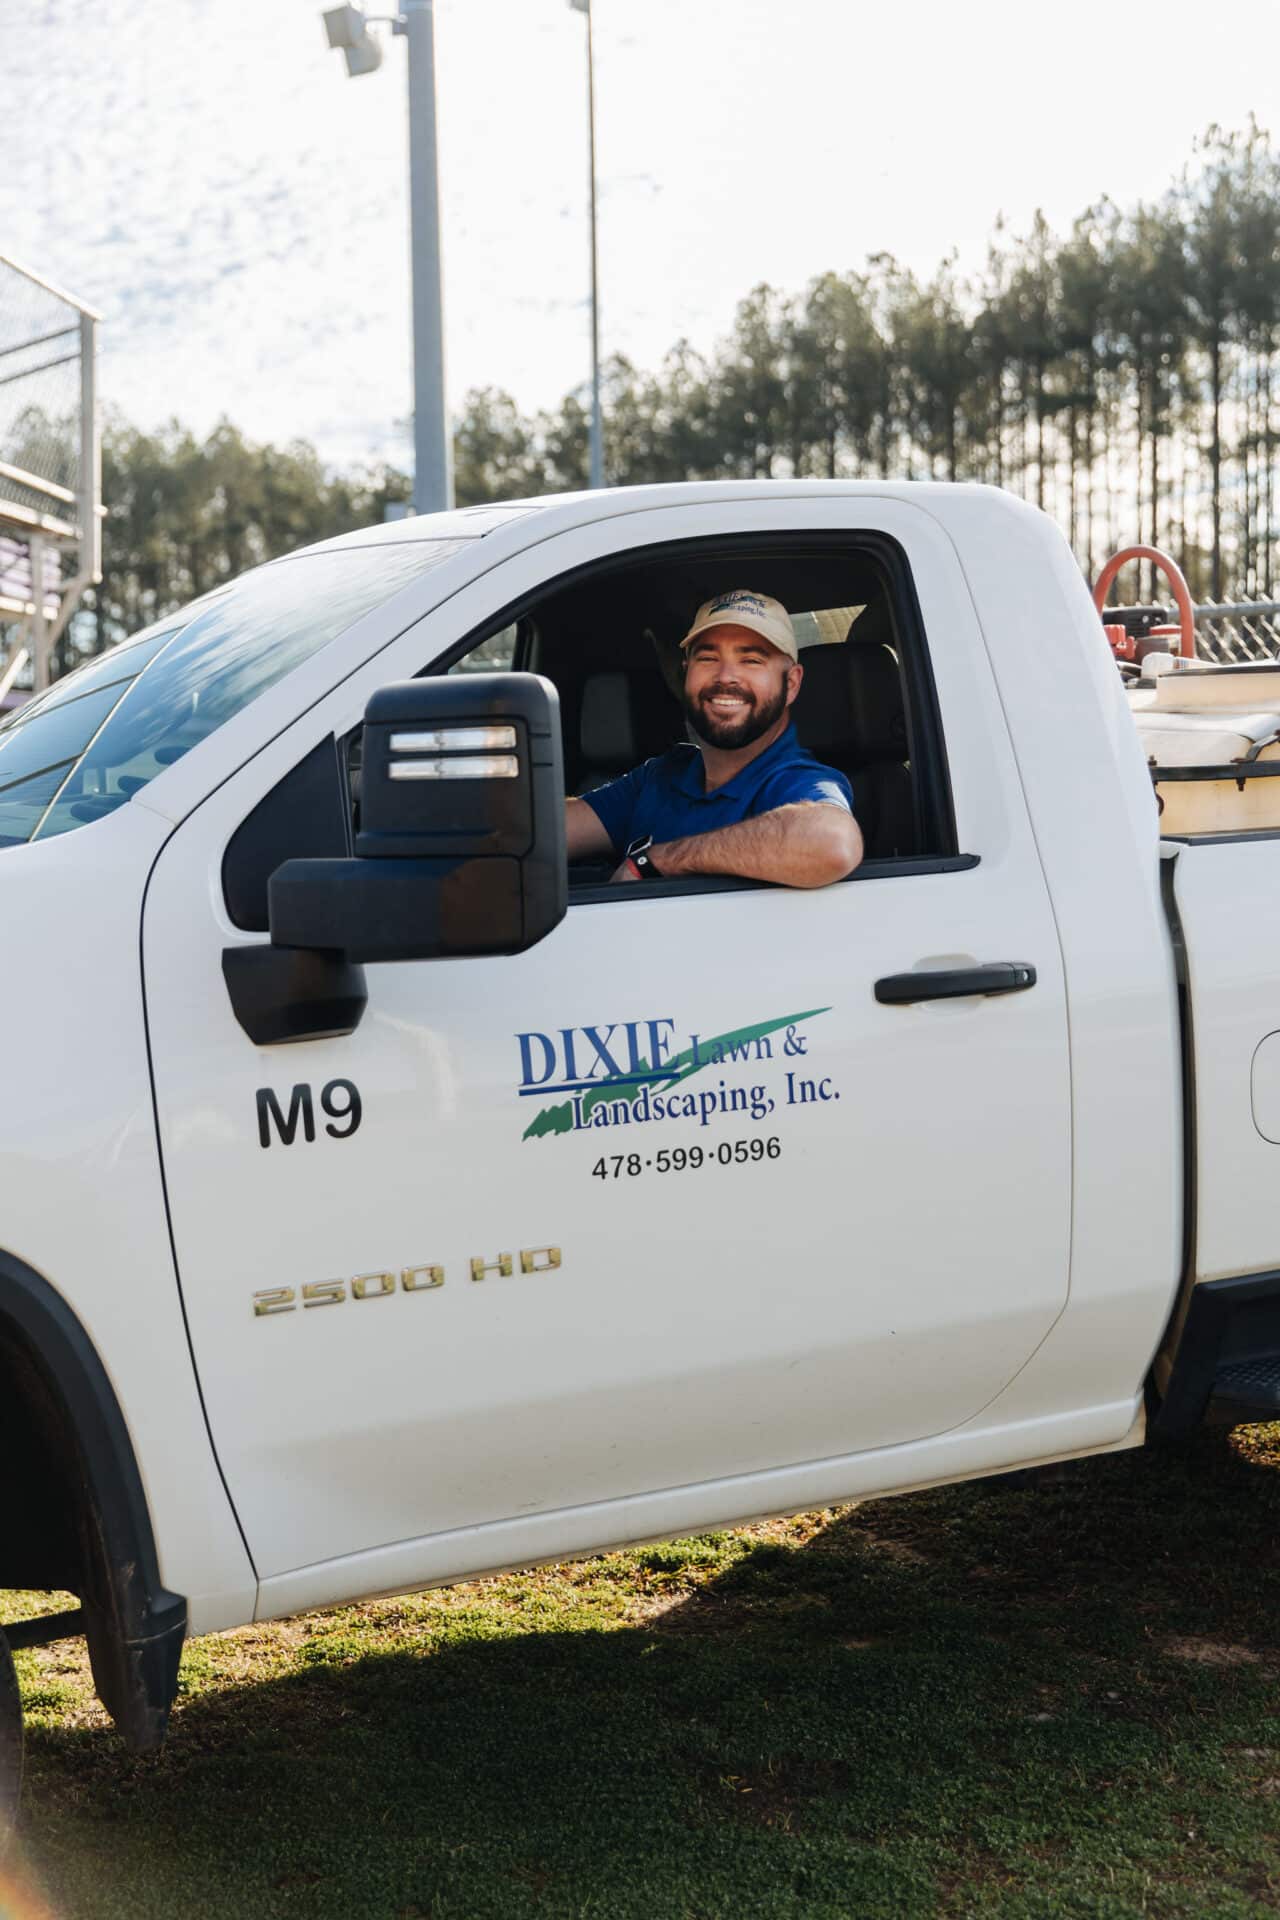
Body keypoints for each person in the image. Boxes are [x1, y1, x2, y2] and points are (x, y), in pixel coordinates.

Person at [565, 588, 864, 887]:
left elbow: (834, 842)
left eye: (751, 661)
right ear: (687, 673)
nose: (725, 677)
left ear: (792, 683)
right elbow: (550, 830)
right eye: (708, 658)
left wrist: (659, 860)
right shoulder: (662, 775)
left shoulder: (795, 781)